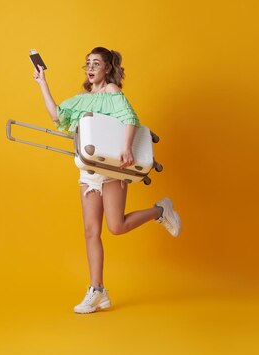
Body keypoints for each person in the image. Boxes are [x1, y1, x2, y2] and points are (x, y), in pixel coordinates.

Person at [32, 47, 182, 314]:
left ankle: (160, 210)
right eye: (87, 63)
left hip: (113, 168)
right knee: (91, 232)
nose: (90, 67)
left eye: (96, 63)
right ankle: (97, 290)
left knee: (116, 226)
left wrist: (126, 148)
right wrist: (43, 83)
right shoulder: (81, 98)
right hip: (88, 172)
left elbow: (130, 119)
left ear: (107, 68)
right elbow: (57, 116)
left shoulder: (112, 92)